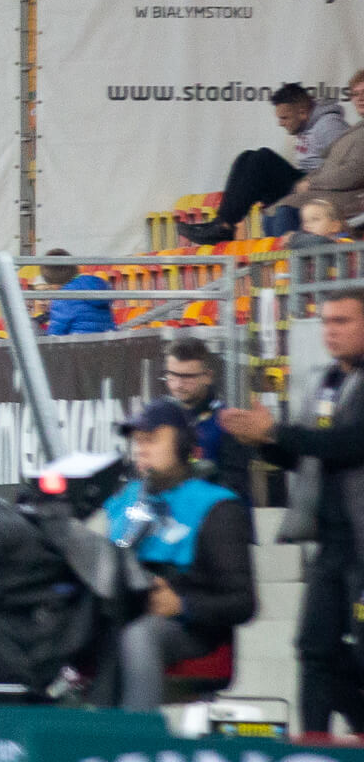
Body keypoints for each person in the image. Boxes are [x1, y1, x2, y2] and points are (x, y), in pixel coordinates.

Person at [220, 290, 364, 734]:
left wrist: (277, 432)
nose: (330, 331)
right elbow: (309, 455)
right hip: (332, 542)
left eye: (342, 321)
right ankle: (313, 746)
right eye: (326, 322)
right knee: (313, 650)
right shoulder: (327, 382)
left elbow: (351, 445)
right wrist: (262, 442)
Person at [101, 401, 256, 711]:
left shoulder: (217, 506)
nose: (142, 449)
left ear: (183, 445)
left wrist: (180, 604)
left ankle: (138, 734)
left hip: (187, 626)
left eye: (152, 439)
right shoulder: (123, 500)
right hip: (118, 610)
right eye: (138, 441)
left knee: (139, 634)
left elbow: (243, 603)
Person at [178, 81, 350, 245]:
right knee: (246, 157)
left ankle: (224, 226)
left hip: (317, 188)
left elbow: (342, 165)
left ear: (303, 112)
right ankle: (223, 223)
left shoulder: (329, 125)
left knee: (262, 158)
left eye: (285, 118)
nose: (280, 123)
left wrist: (312, 180)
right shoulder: (306, 125)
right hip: (305, 183)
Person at [270, 70, 364, 237]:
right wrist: (308, 179)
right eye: (355, 94)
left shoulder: (331, 125)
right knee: (273, 211)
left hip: (351, 197)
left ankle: (288, 255)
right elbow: (329, 163)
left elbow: (355, 171)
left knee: (286, 209)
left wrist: (313, 182)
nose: (360, 98)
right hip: (331, 191)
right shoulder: (357, 128)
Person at [163, 338, 250, 502]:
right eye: (172, 375)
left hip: (217, 513)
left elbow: (234, 490)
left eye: (187, 377)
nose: (178, 385)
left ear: (208, 376)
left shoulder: (227, 423)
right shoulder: (163, 420)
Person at [37, 250, 116, 336]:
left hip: (79, 342)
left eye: (49, 286)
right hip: (107, 341)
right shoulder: (97, 284)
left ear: (54, 281)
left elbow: (56, 333)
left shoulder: (63, 297)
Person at [287, 198, 352, 250]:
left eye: (315, 219)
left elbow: (319, 242)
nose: (307, 225)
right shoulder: (301, 242)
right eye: (305, 221)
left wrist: (293, 238)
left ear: (334, 226)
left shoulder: (344, 242)